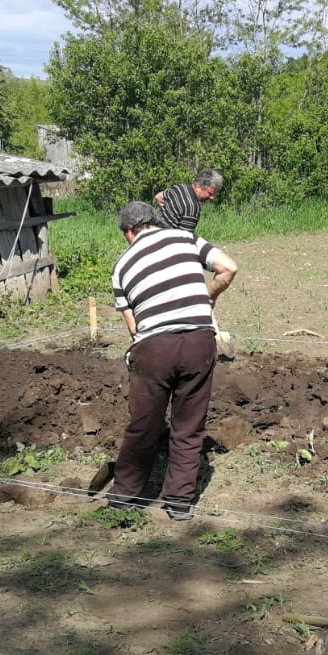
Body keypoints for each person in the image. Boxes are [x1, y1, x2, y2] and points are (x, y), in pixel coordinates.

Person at [108, 200, 239, 520]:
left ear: (129, 232)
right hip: (198, 342)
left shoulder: (121, 266)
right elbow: (229, 268)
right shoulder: (186, 238)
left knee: (144, 425)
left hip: (154, 349)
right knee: (189, 425)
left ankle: (124, 495)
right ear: (154, 222)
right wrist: (208, 297)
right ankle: (179, 503)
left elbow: (134, 328)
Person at [154, 168, 224, 232]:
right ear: (198, 186)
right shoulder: (192, 207)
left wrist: (169, 214)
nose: (212, 197)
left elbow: (158, 197)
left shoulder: (179, 188)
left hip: (154, 231)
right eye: (210, 193)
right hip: (166, 241)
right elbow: (185, 240)